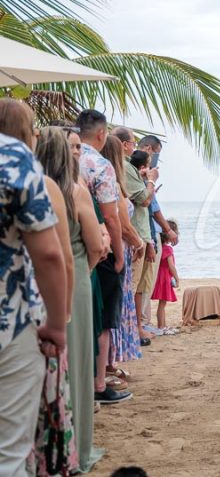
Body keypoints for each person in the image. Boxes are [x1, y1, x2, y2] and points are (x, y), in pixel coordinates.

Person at [0, 99, 67, 477]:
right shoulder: (12, 157)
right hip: (9, 322)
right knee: (9, 453)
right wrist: (56, 325)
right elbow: (49, 255)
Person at [35, 127, 105, 472]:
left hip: (36, 283)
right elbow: (96, 246)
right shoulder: (75, 192)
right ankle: (76, 449)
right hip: (74, 278)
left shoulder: (30, 191)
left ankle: (45, 445)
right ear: (66, 154)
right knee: (76, 363)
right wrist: (84, 268)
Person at [76, 109, 131, 405]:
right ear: (101, 134)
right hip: (100, 249)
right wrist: (120, 256)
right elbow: (112, 218)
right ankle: (99, 384)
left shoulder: (64, 160)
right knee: (103, 318)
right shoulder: (100, 165)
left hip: (70, 248)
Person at [100, 135, 144, 377]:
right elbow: (120, 223)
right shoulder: (111, 184)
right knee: (115, 304)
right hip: (119, 248)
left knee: (118, 303)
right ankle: (107, 364)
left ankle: (109, 361)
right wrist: (138, 243)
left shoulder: (114, 182)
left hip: (122, 247)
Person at [111, 128, 157, 344]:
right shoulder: (121, 167)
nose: (133, 146)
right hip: (133, 235)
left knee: (136, 285)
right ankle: (133, 329)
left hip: (138, 233)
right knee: (133, 285)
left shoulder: (125, 169)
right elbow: (145, 200)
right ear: (123, 144)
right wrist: (151, 181)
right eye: (131, 142)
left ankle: (134, 328)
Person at [137, 135, 177, 336]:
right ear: (149, 149)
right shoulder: (141, 174)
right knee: (144, 281)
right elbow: (150, 204)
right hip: (147, 232)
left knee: (144, 282)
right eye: (155, 154)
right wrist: (168, 230)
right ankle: (142, 322)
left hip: (148, 231)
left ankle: (143, 321)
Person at [151, 220, 180, 332]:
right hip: (164, 278)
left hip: (158, 276)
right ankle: (161, 326)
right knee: (162, 304)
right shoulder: (168, 249)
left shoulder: (158, 248)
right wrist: (177, 278)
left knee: (161, 304)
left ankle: (162, 325)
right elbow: (171, 266)